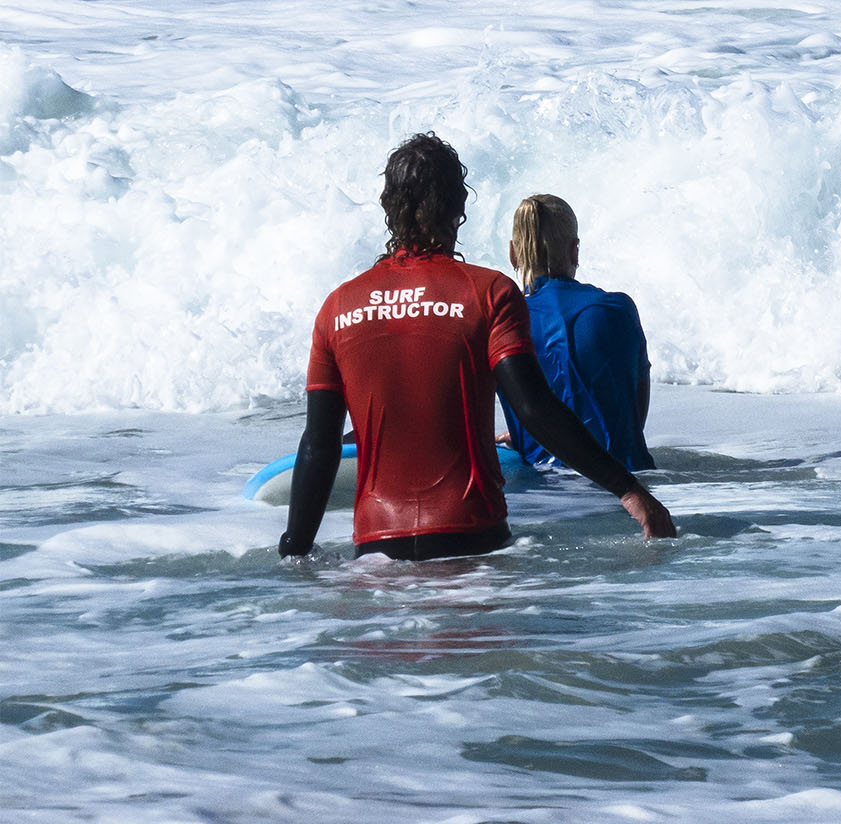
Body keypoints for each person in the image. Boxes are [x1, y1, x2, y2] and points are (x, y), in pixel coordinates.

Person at [278, 134, 674, 561]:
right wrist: (629, 490)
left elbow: (320, 444)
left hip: (376, 551)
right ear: (458, 209)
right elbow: (534, 408)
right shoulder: (488, 293)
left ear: (387, 208)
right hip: (472, 543)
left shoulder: (337, 308)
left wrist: (294, 548)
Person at [499, 194, 654, 473]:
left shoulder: (505, 319)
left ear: (513, 253)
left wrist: (530, 433)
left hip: (548, 485)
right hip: (627, 479)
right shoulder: (620, 309)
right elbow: (634, 419)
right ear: (575, 250)